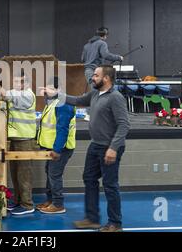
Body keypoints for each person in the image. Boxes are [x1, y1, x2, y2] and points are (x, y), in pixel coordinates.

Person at [41, 65, 130, 232]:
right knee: (89, 179)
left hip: (109, 148)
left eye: (96, 75)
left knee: (110, 185)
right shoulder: (96, 93)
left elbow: (124, 125)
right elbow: (78, 101)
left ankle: (115, 223)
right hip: (95, 145)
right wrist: (57, 95)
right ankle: (92, 219)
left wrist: (113, 148)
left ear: (106, 78)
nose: (92, 78)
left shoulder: (116, 98)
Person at [0, 71, 37, 215]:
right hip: (15, 138)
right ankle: (17, 200)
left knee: (24, 174)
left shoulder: (27, 95)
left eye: (21, 82)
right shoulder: (14, 92)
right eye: (16, 82)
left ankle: (27, 205)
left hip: (25, 139)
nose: (18, 84)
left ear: (27, 83)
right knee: (15, 173)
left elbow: (5, 95)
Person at [37, 77, 76, 214]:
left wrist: (57, 149)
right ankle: (51, 200)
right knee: (50, 173)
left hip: (61, 149)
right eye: (47, 88)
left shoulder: (63, 104)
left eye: (51, 88)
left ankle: (58, 204)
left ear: (59, 90)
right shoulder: (53, 102)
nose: (48, 91)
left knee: (54, 175)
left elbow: (62, 129)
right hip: (52, 148)